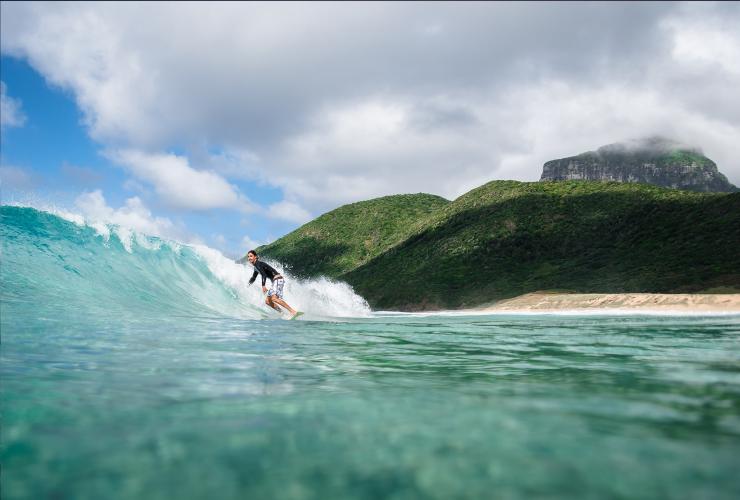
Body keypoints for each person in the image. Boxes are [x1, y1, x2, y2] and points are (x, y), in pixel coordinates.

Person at [245, 250, 299, 318]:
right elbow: (253, 277)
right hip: (276, 281)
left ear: (255, 257)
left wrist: (263, 286)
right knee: (268, 301)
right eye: (248, 256)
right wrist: (247, 285)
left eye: (251, 256)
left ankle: (293, 312)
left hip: (278, 279)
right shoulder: (256, 267)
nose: (249, 258)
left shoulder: (258, 264)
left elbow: (263, 275)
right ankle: (283, 313)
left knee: (274, 299)